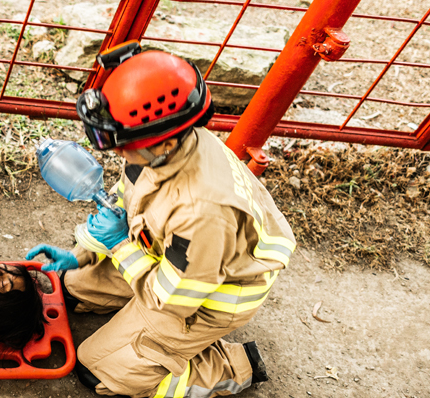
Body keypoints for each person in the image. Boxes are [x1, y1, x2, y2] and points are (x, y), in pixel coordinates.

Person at [26, 43, 297, 398]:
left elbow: (176, 299)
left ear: (160, 140)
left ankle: (228, 366)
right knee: (71, 287)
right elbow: (130, 198)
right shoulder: (162, 146)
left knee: (99, 371)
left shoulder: (203, 210)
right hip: (170, 256)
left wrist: (120, 247)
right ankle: (135, 317)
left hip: (204, 299)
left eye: (118, 140)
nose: (114, 150)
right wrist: (84, 253)